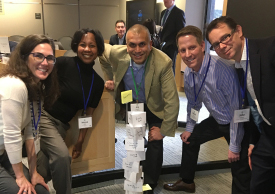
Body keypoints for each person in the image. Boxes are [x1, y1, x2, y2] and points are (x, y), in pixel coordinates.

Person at [163, 26, 251, 193]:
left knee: (238, 165)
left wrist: (234, 145)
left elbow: (237, 111)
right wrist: (189, 128)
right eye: (183, 50)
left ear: (202, 46)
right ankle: (187, 182)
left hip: (237, 120)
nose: (187, 54)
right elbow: (194, 103)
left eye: (192, 47)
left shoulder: (221, 70)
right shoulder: (189, 71)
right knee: (190, 140)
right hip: (218, 118)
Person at [99, 24, 179, 194]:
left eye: (142, 44)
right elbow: (101, 52)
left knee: (155, 142)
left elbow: (172, 100)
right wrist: (110, 78)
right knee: (134, 141)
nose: (137, 50)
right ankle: (134, 179)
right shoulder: (116, 53)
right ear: (126, 45)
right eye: (132, 45)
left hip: (155, 105)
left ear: (150, 44)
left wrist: (163, 131)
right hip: (133, 101)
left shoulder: (163, 62)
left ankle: (149, 182)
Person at [206, 16, 275, 194]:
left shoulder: (269, 48)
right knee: (258, 184)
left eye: (225, 38)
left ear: (238, 31)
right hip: (267, 136)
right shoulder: (236, 68)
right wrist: (253, 142)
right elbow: (252, 107)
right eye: (215, 44)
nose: (221, 46)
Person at [37, 28, 105, 194]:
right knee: (62, 157)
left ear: (98, 49)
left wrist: (80, 141)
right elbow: (38, 80)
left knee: (41, 173)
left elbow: (88, 115)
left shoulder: (97, 82)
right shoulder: (63, 63)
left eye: (92, 46)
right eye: (83, 45)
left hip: (61, 126)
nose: (87, 49)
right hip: (44, 117)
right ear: (76, 46)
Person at [0, 34, 59, 194]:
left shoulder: (35, 88)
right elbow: (11, 134)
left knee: (40, 189)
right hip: (5, 147)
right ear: (24, 58)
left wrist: (33, 173)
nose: (45, 63)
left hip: (3, 152)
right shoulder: (14, 85)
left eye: (50, 58)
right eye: (38, 56)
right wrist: (20, 177)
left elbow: (31, 134)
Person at [159, 0, 186, 73]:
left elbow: (181, 31)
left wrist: (176, 46)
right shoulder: (163, 13)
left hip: (171, 47)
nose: (165, 1)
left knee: (170, 70)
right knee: (162, 69)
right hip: (162, 46)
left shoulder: (179, 13)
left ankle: (171, 84)